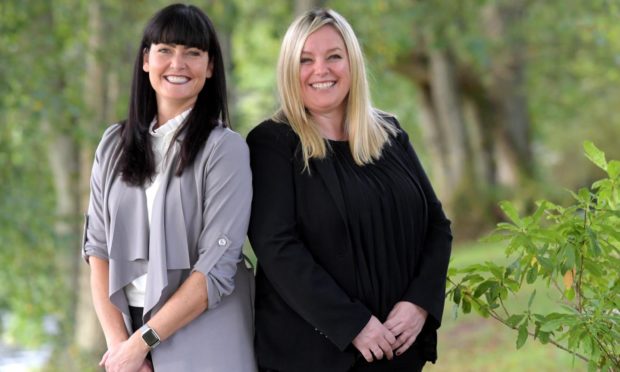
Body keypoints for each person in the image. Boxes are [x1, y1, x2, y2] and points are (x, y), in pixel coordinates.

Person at [247, 8, 452, 372]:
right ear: (288, 71)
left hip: (396, 353)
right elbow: (277, 247)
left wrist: (419, 303)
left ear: (353, 63)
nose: (321, 70)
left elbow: (437, 226)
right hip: (313, 358)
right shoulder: (272, 143)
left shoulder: (390, 135)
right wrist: (352, 324)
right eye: (305, 60)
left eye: (334, 56)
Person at [82, 4, 256, 371]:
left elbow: (216, 267)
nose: (178, 63)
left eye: (193, 53)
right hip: (128, 337)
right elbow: (97, 249)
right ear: (146, 60)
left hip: (207, 335)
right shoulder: (114, 144)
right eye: (165, 50)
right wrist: (123, 349)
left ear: (210, 67)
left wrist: (142, 342)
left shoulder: (225, 150)